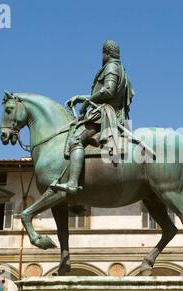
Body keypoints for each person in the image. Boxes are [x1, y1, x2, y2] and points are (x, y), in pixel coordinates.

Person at [50, 40, 134, 194]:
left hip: (106, 114)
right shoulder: (120, 68)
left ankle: (73, 183)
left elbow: (108, 91)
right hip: (107, 110)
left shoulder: (111, 67)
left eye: (103, 53)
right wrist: (81, 98)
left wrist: (88, 100)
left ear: (106, 53)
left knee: (76, 139)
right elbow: (103, 93)